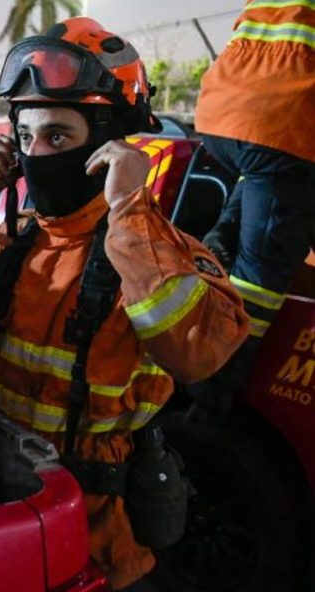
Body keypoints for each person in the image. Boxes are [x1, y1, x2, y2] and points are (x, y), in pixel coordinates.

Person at [0, 17, 249, 591]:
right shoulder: (20, 243)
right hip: (12, 500)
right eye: (25, 137)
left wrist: (130, 209)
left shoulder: (156, 252)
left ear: (111, 144)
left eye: (58, 137)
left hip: (103, 531)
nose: (36, 154)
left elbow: (199, 354)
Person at [190, 0, 315, 418]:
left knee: (265, 186)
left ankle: (211, 260)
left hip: (224, 116)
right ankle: (211, 399)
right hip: (279, 125)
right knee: (261, 278)